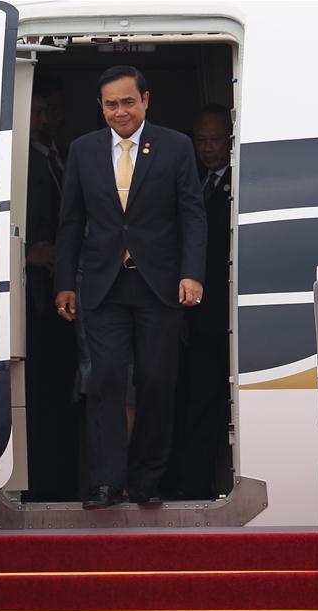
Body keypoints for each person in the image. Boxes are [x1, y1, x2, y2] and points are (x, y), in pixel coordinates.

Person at [53, 66, 207, 509]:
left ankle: (146, 482)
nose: (120, 112)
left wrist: (191, 272)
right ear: (100, 107)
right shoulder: (83, 151)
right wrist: (65, 282)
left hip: (159, 285)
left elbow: (192, 215)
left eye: (128, 102)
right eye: (110, 104)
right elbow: (71, 223)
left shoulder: (175, 146)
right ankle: (105, 483)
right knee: (105, 381)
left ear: (145, 101)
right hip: (102, 286)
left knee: (157, 382)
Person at [166, 104, 234, 499]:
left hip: (224, 314)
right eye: (201, 140)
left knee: (212, 401)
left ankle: (203, 482)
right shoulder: (196, 183)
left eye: (215, 140)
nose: (208, 148)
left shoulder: (236, 187)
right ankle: (192, 482)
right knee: (195, 400)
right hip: (196, 315)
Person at [24, 83, 80, 501]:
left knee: (64, 392)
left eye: (48, 112)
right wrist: (26, 255)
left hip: (63, 293)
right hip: (32, 298)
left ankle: (61, 482)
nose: (44, 120)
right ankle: (40, 485)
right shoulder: (21, 163)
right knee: (39, 394)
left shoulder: (56, 157)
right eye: (36, 112)